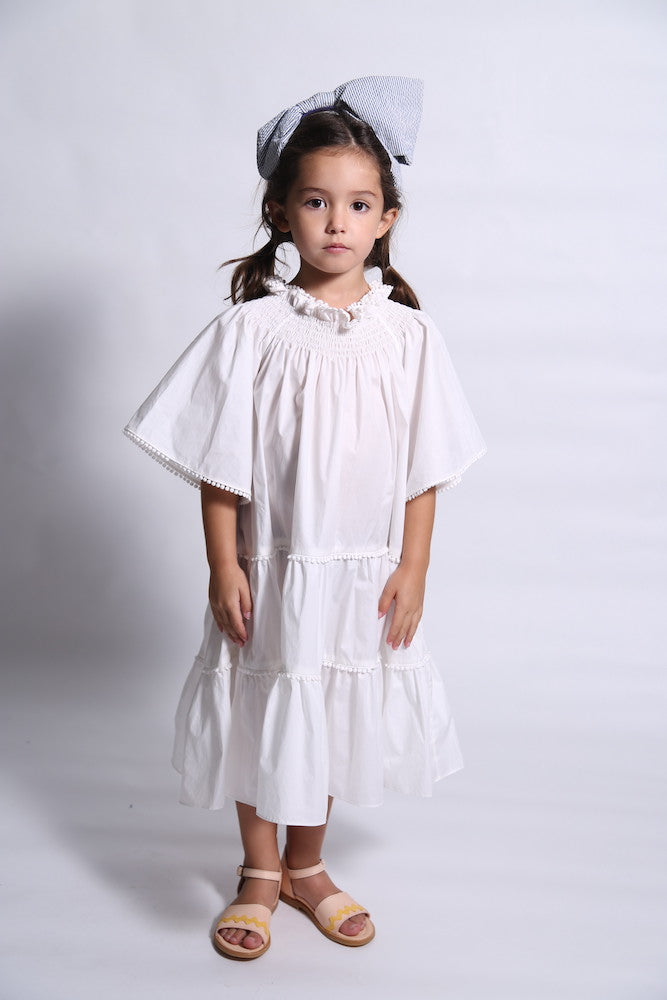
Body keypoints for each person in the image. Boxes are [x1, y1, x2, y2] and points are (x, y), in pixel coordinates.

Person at [123, 75, 487, 960]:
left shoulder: (409, 337)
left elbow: (425, 470)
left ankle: (307, 865)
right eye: (316, 201)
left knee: (324, 706)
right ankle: (259, 871)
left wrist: (414, 567)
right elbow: (218, 466)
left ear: (386, 218)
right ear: (281, 212)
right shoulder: (249, 332)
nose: (336, 222)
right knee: (265, 705)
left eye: (357, 205)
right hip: (273, 567)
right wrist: (223, 565)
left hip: (361, 573)